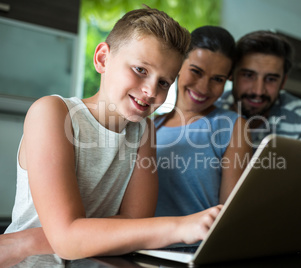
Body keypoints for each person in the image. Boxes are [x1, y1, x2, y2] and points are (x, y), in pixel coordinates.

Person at [0, 8, 222, 267]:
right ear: (103, 59)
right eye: (140, 69)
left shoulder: (143, 132)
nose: (151, 91)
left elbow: (136, 226)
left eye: (164, 83)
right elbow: (67, 239)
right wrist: (181, 227)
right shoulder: (53, 112)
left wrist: (28, 240)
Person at [153, 26, 252, 221]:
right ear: (179, 64)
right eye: (196, 71)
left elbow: (229, 216)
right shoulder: (151, 125)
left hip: (196, 249)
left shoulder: (232, 127)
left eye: (217, 79)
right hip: (142, 247)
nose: (203, 87)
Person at [215, 30, 301, 148]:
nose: (258, 91)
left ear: (283, 82)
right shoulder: (211, 108)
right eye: (248, 75)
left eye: (271, 79)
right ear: (231, 74)